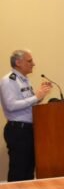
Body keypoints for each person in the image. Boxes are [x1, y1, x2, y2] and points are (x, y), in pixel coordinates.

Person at [0, 49, 52, 181]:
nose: (33, 64)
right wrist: (36, 97)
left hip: (28, 129)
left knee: (28, 170)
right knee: (19, 171)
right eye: (29, 61)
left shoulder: (24, 80)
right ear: (18, 63)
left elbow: (29, 102)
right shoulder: (8, 81)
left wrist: (41, 94)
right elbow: (11, 105)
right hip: (18, 130)